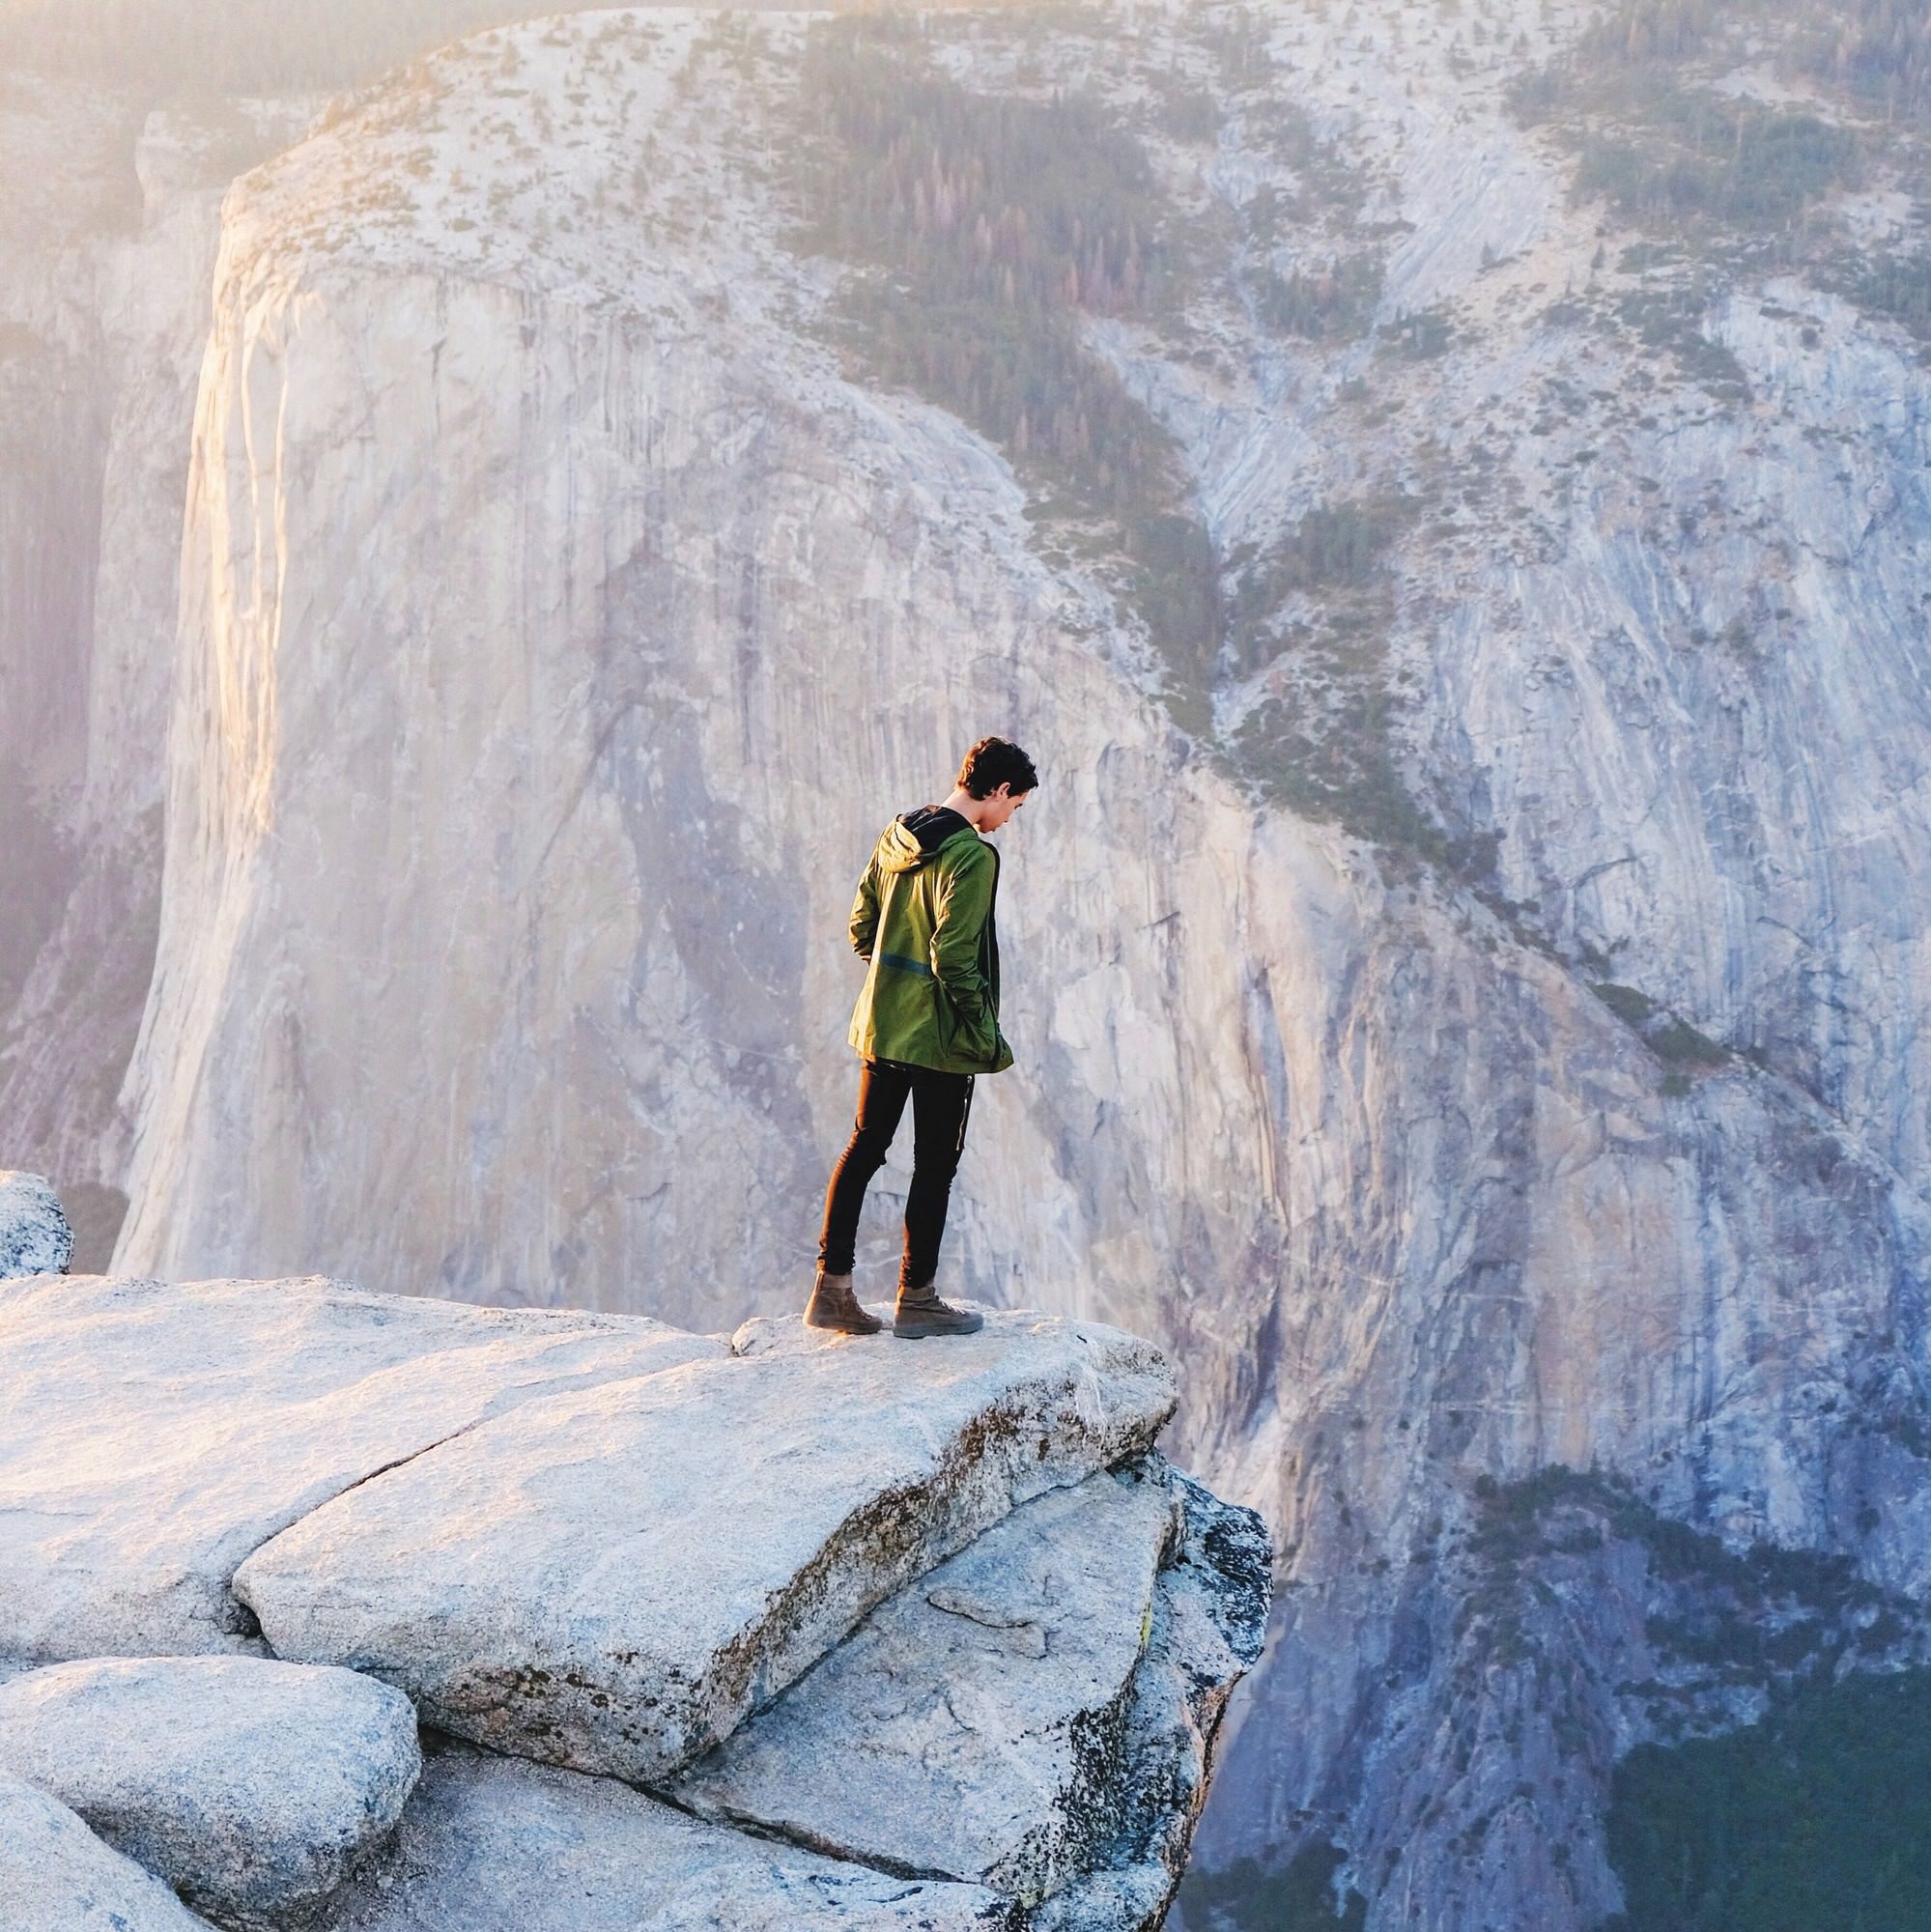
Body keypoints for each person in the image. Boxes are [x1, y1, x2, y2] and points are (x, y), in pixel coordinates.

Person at [807, 736, 1037, 1339]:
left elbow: (862, 926)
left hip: (882, 1026)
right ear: (1001, 790)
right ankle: (918, 1298)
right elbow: (955, 957)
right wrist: (983, 1029)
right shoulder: (972, 857)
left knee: (864, 1148)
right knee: (934, 1165)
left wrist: (891, 979)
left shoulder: (898, 834)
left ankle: (831, 1291)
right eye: (1015, 807)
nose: (1008, 820)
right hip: (939, 1040)